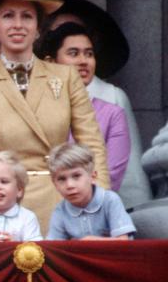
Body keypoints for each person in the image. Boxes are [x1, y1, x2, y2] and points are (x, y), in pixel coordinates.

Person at [0, 0, 110, 232]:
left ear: (39, 27)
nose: (18, 25)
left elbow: (92, 148)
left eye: (27, 17)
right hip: (7, 211)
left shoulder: (66, 77)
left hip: (64, 205)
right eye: (8, 16)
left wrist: (100, 206)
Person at [39, 22, 130, 190]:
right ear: (50, 62)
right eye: (73, 53)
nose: (83, 61)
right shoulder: (34, 110)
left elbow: (110, 175)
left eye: (89, 54)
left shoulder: (112, 114)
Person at [46, 143, 135, 240]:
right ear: (54, 184)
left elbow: (123, 241)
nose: (69, 185)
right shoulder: (60, 210)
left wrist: (91, 242)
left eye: (76, 176)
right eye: (62, 179)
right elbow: (54, 247)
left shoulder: (110, 200)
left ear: (93, 177)